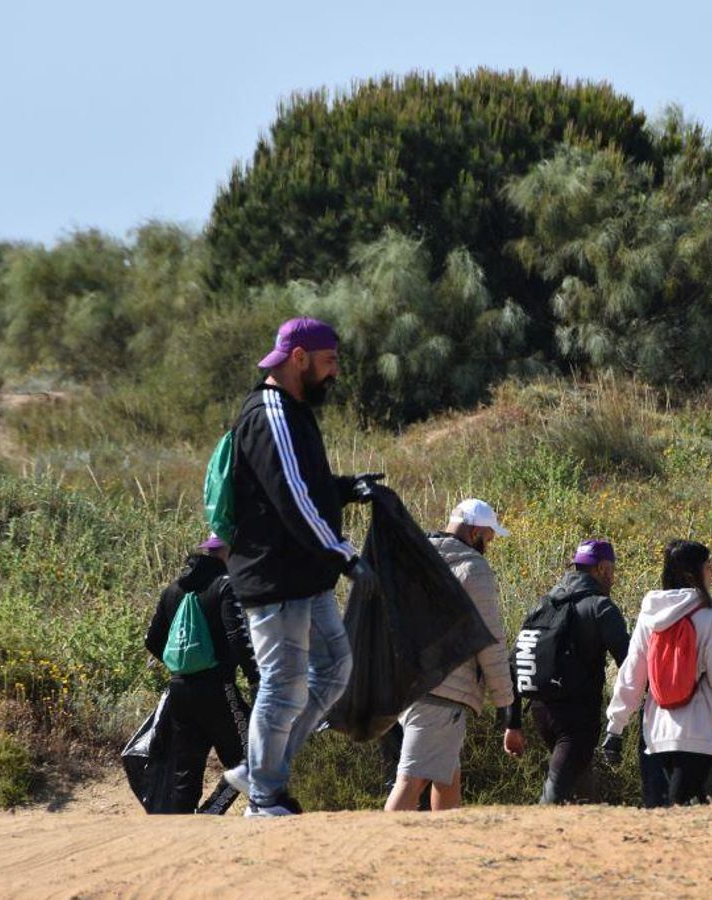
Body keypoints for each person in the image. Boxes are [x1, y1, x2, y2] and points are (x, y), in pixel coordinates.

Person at [225, 317, 374, 817]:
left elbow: (308, 483)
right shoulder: (268, 412)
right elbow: (291, 496)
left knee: (334, 670)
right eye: (329, 362)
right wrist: (342, 552)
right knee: (283, 683)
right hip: (275, 578)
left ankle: (261, 770)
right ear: (300, 358)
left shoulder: (294, 409)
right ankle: (264, 798)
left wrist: (347, 487)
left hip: (303, 576)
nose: (334, 373)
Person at [385, 499, 521, 812]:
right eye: (487, 538)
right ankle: (383, 848)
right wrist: (506, 703)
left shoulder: (412, 559)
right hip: (444, 690)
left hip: (404, 684)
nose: (488, 545)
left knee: (447, 775)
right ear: (474, 533)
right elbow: (491, 642)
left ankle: (447, 845)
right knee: (413, 779)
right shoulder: (474, 569)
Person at [604, 540, 712, 806]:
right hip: (700, 732)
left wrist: (615, 728)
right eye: (708, 566)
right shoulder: (710, 615)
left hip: (656, 733)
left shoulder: (650, 614)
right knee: (685, 814)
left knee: (661, 815)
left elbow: (632, 674)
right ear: (691, 574)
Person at [507, 539, 630, 805]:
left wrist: (513, 723)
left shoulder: (544, 604)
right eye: (612, 571)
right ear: (603, 569)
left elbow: (513, 663)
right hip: (577, 719)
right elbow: (630, 665)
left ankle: (586, 839)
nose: (613, 578)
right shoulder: (601, 607)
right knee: (556, 791)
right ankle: (527, 841)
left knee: (580, 787)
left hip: (541, 711)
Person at [142, 535, 258, 814]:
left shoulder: (171, 591)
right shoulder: (225, 585)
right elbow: (237, 638)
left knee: (186, 769)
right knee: (252, 758)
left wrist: (182, 667)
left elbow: (152, 640)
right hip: (218, 687)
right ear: (226, 554)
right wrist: (255, 677)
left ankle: (182, 825)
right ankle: (211, 812)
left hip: (179, 690)